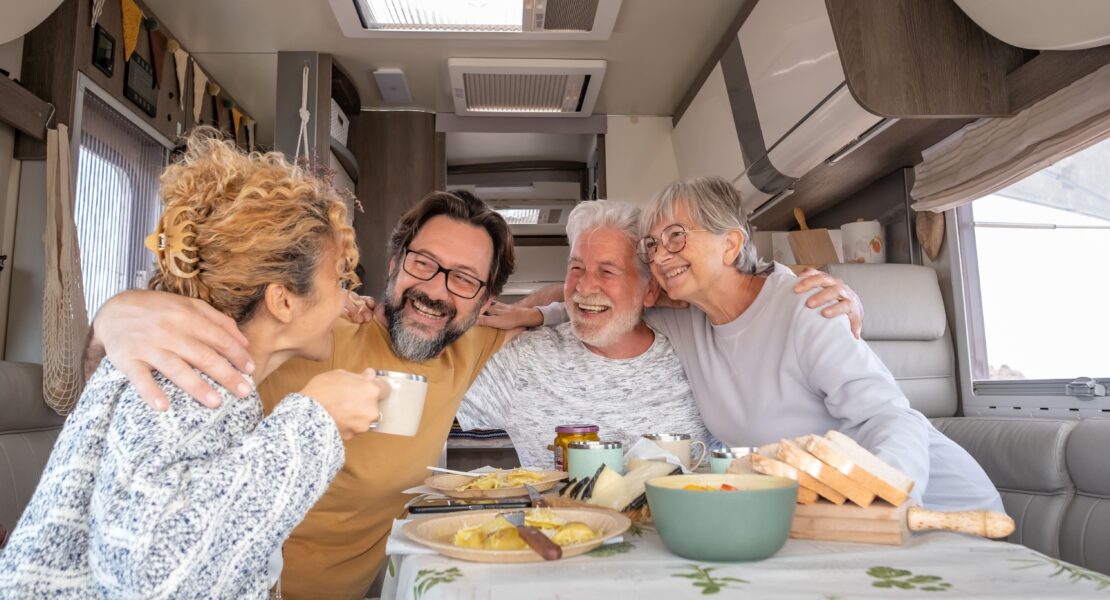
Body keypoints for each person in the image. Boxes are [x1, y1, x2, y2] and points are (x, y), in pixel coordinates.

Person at [89, 188, 861, 598]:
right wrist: (115, 314)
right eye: (424, 265)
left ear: (485, 298)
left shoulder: (493, 341)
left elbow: (729, 312)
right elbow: (145, 372)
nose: (437, 292)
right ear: (391, 264)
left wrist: (821, 303)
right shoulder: (312, 328)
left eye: (465, 280)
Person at [0, 130, 387, 598]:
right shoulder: (186, 382)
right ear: (283, 300)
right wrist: (315, 422)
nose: (348, 298)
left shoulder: (191, 367)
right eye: (339, 280)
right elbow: (149, 580)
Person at [634, 176, 1002, 511]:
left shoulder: (805, 306)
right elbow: (595, 304)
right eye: (652, 244)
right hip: (830, 516)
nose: (660, 255)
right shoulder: (684, 321)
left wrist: (884, 501)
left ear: (730, 245)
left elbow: (888, 416)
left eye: (676, 235)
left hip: (931, 503)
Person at [458, 201, 712, 468]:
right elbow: (432, 386)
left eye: (607, 271)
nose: (585, 285)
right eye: (576, 268)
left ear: (649, 291)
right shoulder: (525, 359)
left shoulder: (693, 353)